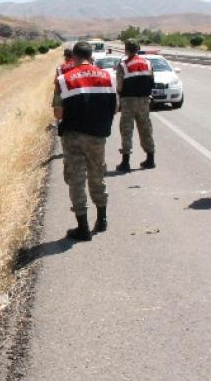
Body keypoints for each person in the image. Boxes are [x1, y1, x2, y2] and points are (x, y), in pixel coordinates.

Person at [52, 41, 118, 241]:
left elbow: (57, 113)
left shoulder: (64, 79)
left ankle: (83, 227)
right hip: (98, 135)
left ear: (73, 57)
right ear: (91, 56)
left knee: (76, 179)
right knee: (97, 174)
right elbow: (115, 108)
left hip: (73, 136)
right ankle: (102, 219)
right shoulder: (109, 76)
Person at [115, 38, 156, 172]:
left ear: (126, 49)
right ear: (138, 48)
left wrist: (119, 95)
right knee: (145, 128)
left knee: (126, 130)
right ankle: (150, 159)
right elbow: (152, 81)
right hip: (144, 100)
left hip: (128, 101)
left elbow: (119, 86)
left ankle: (125, 162)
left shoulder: (123, 65)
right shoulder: (148, 63)